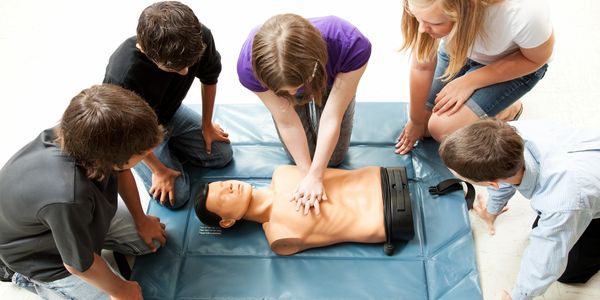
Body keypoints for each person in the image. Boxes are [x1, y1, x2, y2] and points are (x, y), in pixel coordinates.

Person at [0, 84, 167, 299]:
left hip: (73, 217)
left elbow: (123, 170)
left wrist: (140, 218)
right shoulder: (69, 196)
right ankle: (25, 277)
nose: (150, 154)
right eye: (143, 153)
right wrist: (121, 290)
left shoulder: (85, 134)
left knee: (152, 240)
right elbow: (78, 265)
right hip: (41, 254)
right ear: (109, 159)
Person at [438, 119, 600, 300]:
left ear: (491, 183)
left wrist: (518, 297)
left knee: (569, 272)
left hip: (582, 191)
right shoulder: (508, 134)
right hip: (586, 170)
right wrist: (492, 211)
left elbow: (544, 262)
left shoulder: (561, 202)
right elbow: (504, 177)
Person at [104, 1, 233, 209]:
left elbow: (210, 78)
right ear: (146, 51)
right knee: (177, 197)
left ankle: (173, 146)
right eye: (175, 68)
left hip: (171, 113)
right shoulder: (122, 76)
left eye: (188, 65)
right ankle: (166, 153)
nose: (184, 72)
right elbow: (125, 136)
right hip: (141, 133)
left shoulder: (199, 37)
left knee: (222, 154)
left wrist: (207, 124)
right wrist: (158, 169)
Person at [237, 14, 371, 213]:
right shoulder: (248, 67)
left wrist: (317, 175)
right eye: (286, 91)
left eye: (296, 88)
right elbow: (287, 122)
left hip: (331, 80)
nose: (293, 94)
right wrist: (307, 177)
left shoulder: (350, 44)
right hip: (284, 82)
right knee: (300, 159)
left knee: (334, 159)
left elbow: (332, 115)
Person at [395, 0, 554, 155]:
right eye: (417, 18)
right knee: (423, 123)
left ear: (466, 10)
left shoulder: (523, 12)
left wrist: (470, 81)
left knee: (441, 129)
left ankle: (507, 110)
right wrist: (416, 122)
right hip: (459, 51)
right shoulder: (426, 7)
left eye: (435, 24)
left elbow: (536, 59)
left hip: (515, 64)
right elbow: (422, 66)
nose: (422, 29)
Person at [195, 165, 414, 256]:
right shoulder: (278, 236)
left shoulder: (282, 174)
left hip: (382, 177)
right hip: (389, 219)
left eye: (223, 183)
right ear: (227, 221)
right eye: (222, 195)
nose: (229, 186)